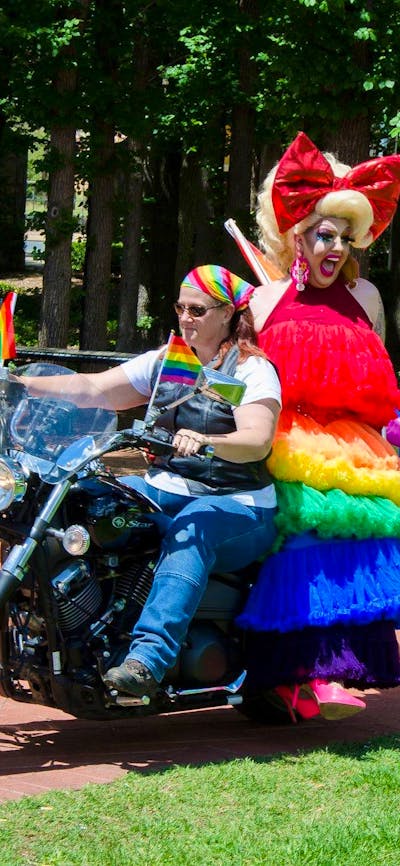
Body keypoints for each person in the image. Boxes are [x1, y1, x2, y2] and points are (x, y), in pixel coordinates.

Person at [235, 130, 400, 721]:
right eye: (322, 235)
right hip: (285, 441)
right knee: (301, 542)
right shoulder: (264, 300)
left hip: (357, 446)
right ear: (295, 236)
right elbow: (240, 377)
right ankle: (292, 674)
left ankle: (336, 665)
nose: (334, 247)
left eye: (344, 237)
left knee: (360, 546)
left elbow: (378, 374)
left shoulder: (368, 296)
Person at [76, 265, 280, 697]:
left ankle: (147, 661)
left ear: (226, 314)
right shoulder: (170, 360)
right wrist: (19, 383)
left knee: (195, 527)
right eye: (181, 308)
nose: (186, 317)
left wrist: (207, 439)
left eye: (198, 309)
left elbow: (257, 440)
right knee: (81, 481)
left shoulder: (248, 370)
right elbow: (95, 389)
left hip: (239, 502)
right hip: (169, 480)